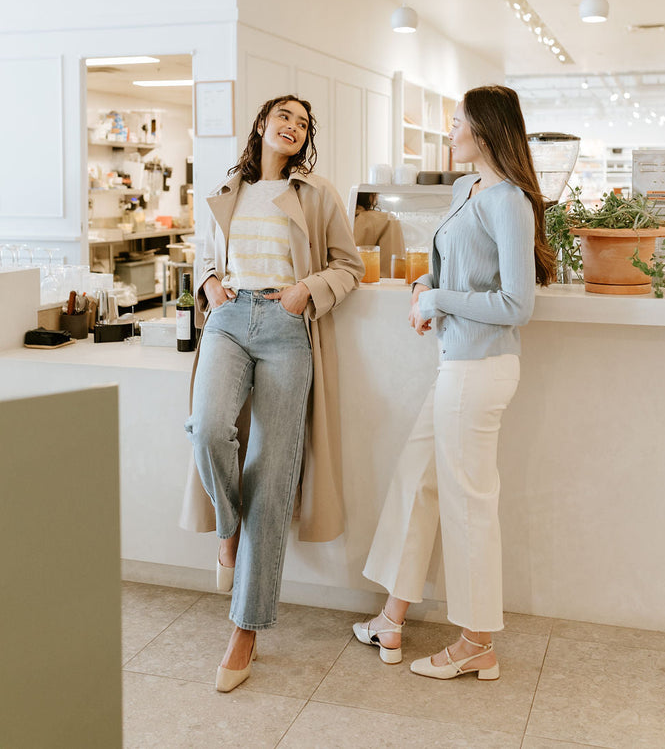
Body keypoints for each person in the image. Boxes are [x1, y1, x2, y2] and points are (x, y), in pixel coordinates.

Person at [353, 85, 556, 680]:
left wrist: (439, 297)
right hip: (454, 365)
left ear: (486, 131)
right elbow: (445, 266)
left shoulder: (509, 201)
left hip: (481, 371)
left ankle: (477, 642)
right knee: (417, 480)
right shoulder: (465, 189)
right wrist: (424, 292)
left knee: (469, 504)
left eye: (458, 123)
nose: (450, 133)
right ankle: (392, 617)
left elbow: (517, 304)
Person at [180, 95, 364, 693]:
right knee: (208, 428)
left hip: (287, 326)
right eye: (284, 116)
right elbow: (205, 254)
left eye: (304, 123)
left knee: (273, 470)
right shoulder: (227, 189)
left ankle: (246, 629)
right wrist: (209, 283)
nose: (293, 127)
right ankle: (229, 529)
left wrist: (305, 291)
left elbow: (349, 265)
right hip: (230, 320)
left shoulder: (318, 194)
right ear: (262, 124)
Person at [353, 192, 405, 277]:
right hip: (374, 285)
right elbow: (392, 268)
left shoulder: (341, 219)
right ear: (372, 196)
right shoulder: (386, 219)